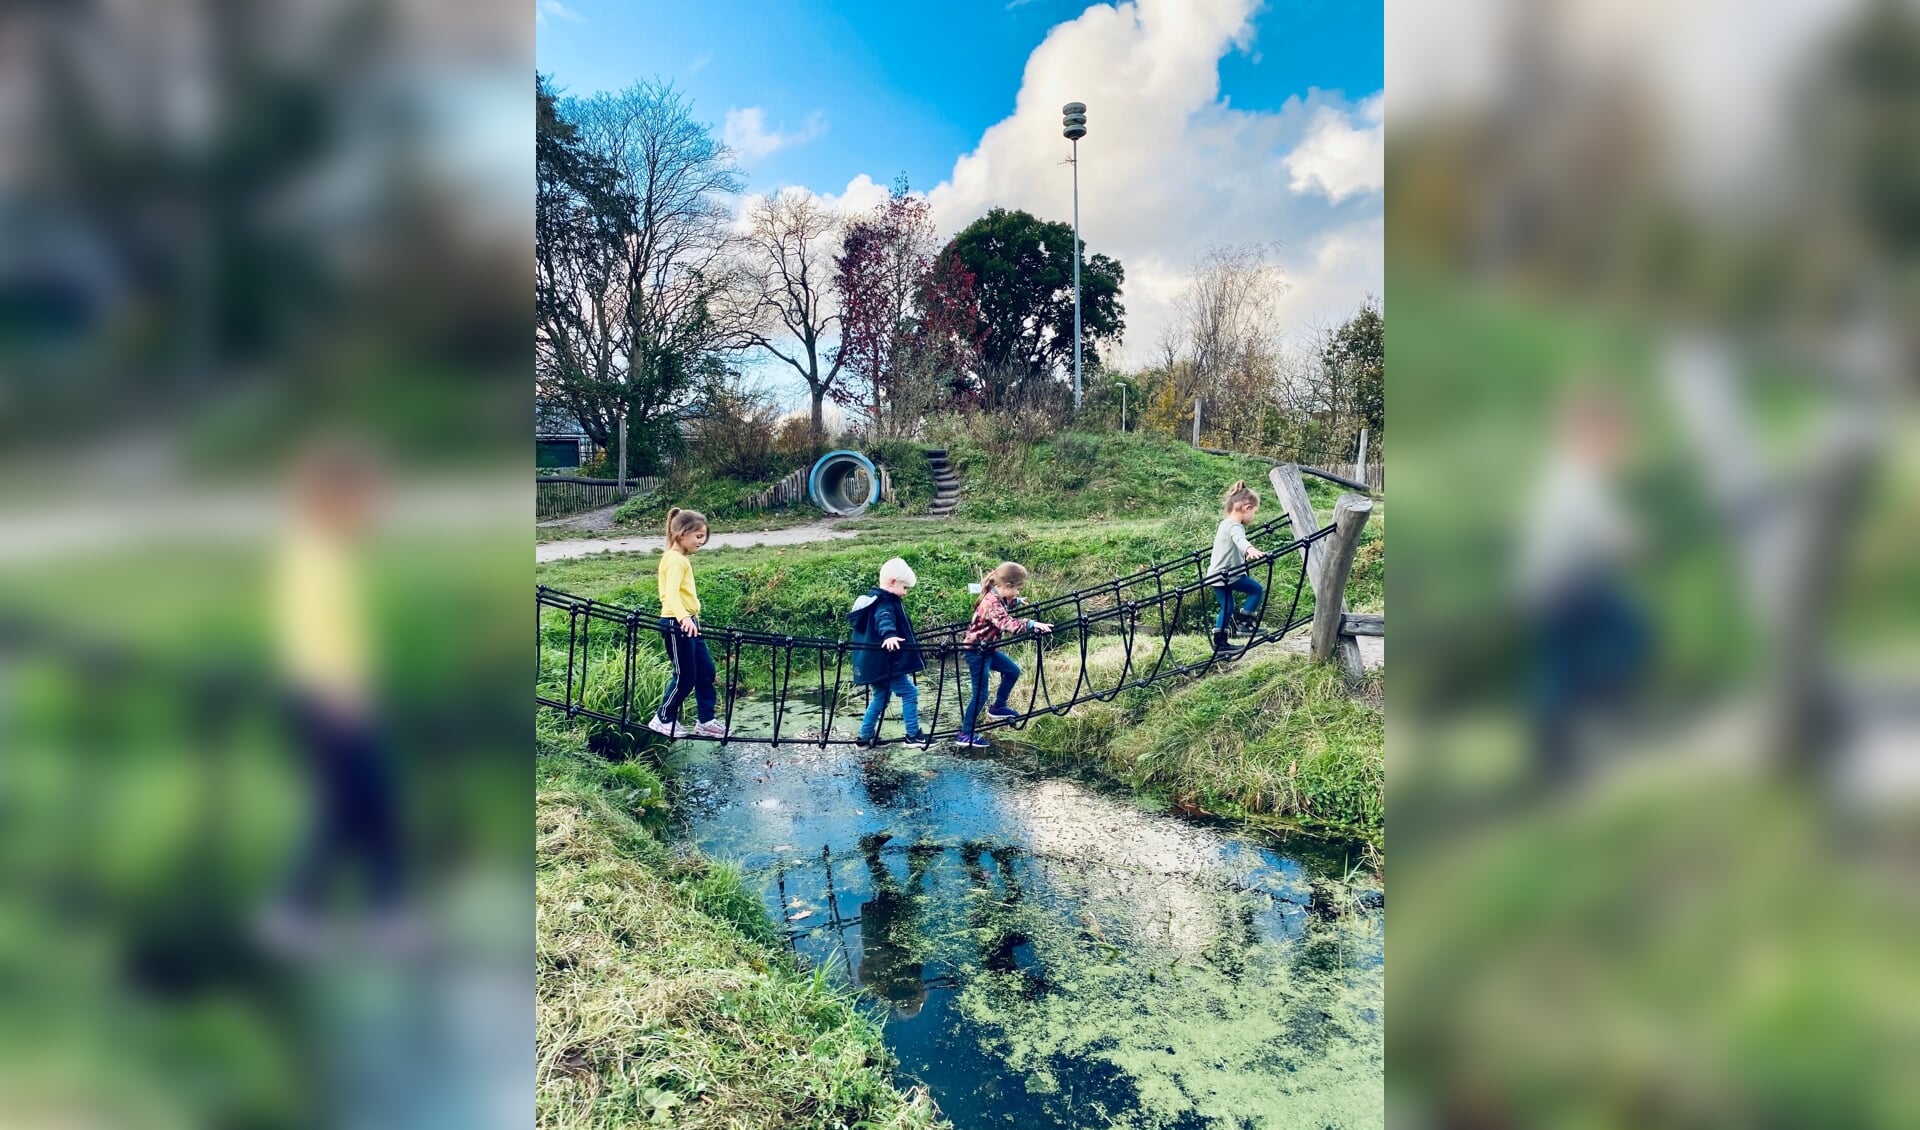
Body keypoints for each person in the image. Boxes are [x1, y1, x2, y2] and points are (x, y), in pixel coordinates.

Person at [955, 562, 1053, 748]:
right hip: (976, 653)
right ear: (1008, 585)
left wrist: (1016, 601)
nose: (1017, 592)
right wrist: (1032, 624)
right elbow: (1007, 624)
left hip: (989, 650)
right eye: (1017, 589)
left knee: (1013, 671)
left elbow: (1004, 605)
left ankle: (998, 707)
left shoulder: (998, 597)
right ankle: (965, 733)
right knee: (980, 693)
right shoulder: (990, 602)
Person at [649, 507, 726, 739]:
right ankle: (663, 718)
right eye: (699, 536)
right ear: (682, 534)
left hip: (689, 622)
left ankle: (706, 720)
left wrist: (689, 618)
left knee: (706, 671)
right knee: (685, 675)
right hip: (676, 623)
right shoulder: (674, 560)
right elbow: (670, 594)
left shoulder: (679, 559)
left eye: (704, 537)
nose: (702, 542)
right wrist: (683, 618)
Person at [848, 557, 928, 746]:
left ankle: (865, 736)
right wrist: (890, 635)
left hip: (873, 664)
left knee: (881, 697)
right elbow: (884, 619)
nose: (905, 593)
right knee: (910, 693)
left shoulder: (873, 600)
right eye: (905, 588)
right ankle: (913, 735)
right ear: (892, 583)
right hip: (885, 663)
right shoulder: (884, 603)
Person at [1207, 481, 1269, 651]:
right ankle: (1245, 623)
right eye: (1254, 512)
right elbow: (1239, 540)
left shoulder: (1224, 523)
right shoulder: (1235, 527)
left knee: (1227, 607)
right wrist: (1250, 549)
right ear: (1246, 508)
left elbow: (1230, 548)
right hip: (1228, 575)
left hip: (1216, 575)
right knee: (1256, 590)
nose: (1254, 517)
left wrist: (1243, 556)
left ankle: (1220, 643)